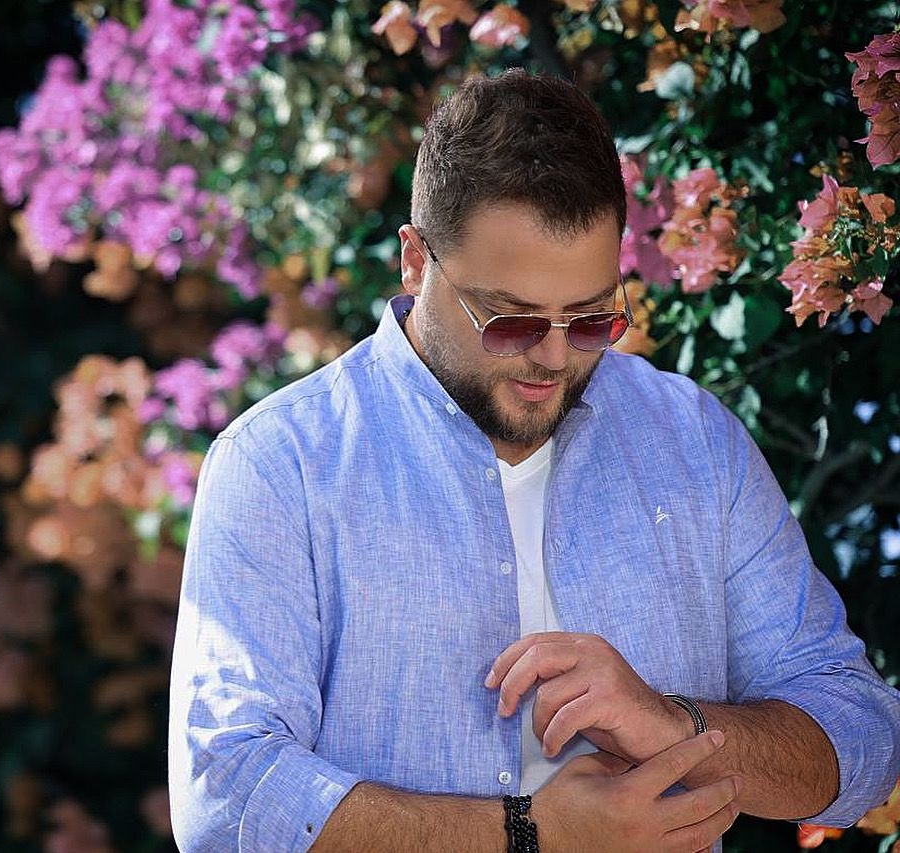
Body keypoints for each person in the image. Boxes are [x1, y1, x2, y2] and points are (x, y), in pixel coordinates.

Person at [166, 69, 900, 853]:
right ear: (415, 262)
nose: (553, 358)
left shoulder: (693, 440)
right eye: (511, 322)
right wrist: (531, 835)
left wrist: (673, 722)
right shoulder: (279, 464)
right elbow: (227, 795)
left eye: (590, 319)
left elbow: (863, 737)